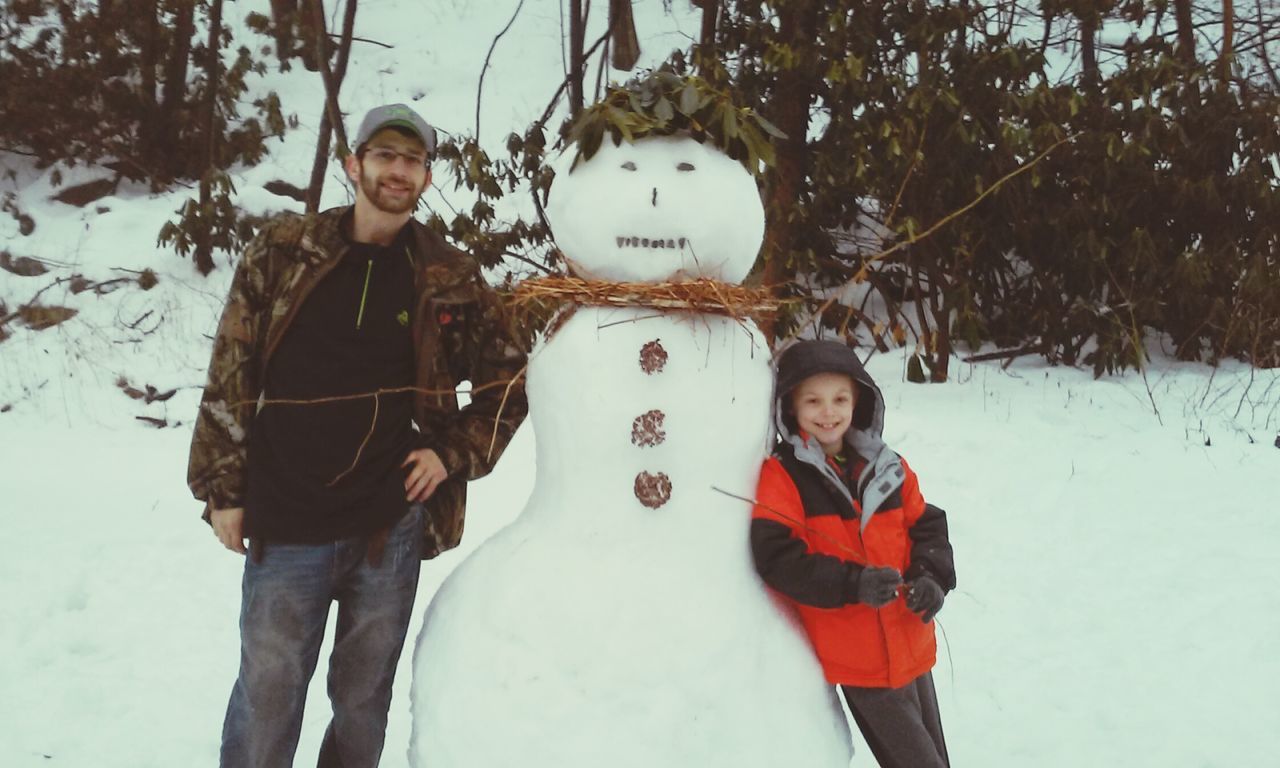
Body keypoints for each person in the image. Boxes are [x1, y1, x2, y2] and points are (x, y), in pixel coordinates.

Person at [187, 102, 528, 768]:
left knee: (363, 697)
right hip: (286, 517)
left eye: (413, 161)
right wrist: (222, 488)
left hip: (387, 524)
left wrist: (450, 452)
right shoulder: (284, 250)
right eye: (385, 156)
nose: (398, 171)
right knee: (269, 690)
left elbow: (509, 380)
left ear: (426, 177)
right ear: (355, 164)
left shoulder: (447, 275)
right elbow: (230, 368)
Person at [750, 339, 956, 768]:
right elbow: (777, 558)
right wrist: (853, 583)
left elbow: (927, 526)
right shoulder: (784, 476)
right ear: (791, 407)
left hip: (911, 641)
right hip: (861, 662)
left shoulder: (888, 466)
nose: (829, 412)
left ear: (858, 401)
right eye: (814, 401)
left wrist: (931, 578)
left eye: (840, 399)